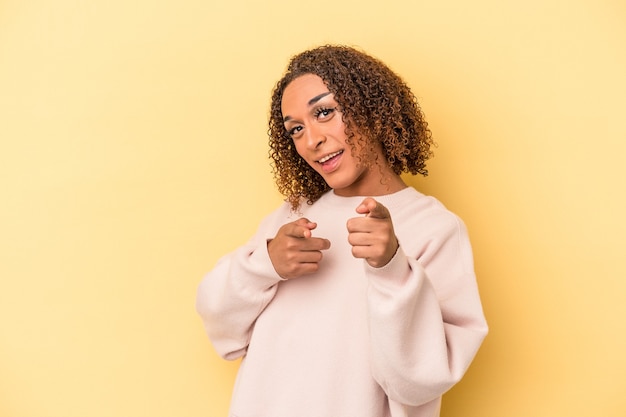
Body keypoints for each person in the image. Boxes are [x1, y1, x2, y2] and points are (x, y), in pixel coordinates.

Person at [196, 44, 488, 417]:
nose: (311, 140)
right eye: (296, 129)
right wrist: (265, 264)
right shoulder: (293, 214)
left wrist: (392, 268)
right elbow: (222, 328)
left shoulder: (434, 228)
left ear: (372, 109)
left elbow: (417, 382)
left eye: (325, 112)